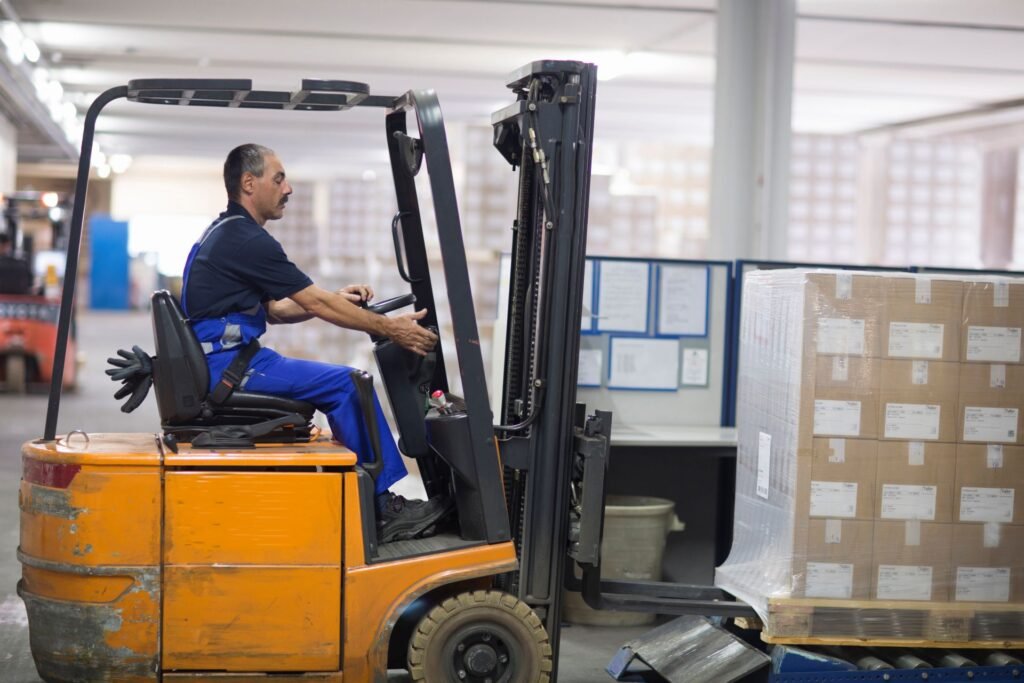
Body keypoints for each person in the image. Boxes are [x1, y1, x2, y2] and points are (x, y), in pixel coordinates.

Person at [182, 143, 449, 543]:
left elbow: (276, 310)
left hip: (228, 360)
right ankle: (381, 508)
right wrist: (390, 329)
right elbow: (313, 302)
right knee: (348, 384)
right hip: (229, 368)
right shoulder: (246, 240)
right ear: (249, 183)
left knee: (342, 381)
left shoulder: (228, 233)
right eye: (279, 179)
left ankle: (374, 498)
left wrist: (335, 301)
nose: (288, 188)